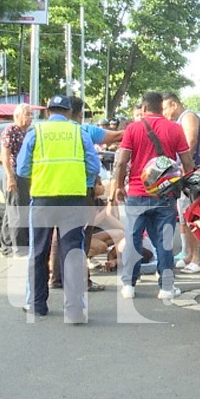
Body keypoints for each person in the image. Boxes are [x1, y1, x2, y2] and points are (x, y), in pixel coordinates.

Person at [17, 94, 100, 322]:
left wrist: (43, 176)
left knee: (38, 252)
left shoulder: (36, 132)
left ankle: (36, 305)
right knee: (73, 253)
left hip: (43, 200)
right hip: (73, 201)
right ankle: (74, 310)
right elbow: (94, 166)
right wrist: (80, 182)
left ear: (47, 111)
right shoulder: (79, 133)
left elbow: (22, 169)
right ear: (69, 112)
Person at [113, 91, 194, 300]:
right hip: (165, 194)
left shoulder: (133, 129)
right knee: (164, 240)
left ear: (143, 108)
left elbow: (121, 162)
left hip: (137, 193)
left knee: (133, 238)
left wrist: (119, 186)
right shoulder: (175, 129)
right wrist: (187, 185)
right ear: (161, 107)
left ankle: (128, 286)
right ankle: (166, 288)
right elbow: (187, 162)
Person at [48, 96, 123, 291]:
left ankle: (56, 278)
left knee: (58, 235)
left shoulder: (46, 132)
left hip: (53, 190)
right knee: (81, 236)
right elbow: (111, 141)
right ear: (79, 114)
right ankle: (82, 281)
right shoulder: (84, 131)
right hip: (81, 191)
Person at [162, 92, 200, 274]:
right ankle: (188, 253)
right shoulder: (177, 121)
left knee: (192, 216)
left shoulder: (187, 117)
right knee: (184, 216)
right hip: (181, 176)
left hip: (190, 174)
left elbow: (191, 142)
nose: (164, 113)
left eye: (165, 108)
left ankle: (197, 257)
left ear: (174, 105)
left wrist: (181, 167)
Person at [0, 103, 33, 256]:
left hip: (25, 173)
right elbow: (5, 156)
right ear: (18, 116)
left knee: (13, 209)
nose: (30, 117)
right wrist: (10, 177)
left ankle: (7, 245)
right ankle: (18, 247)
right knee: (16, 210)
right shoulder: (10, 131)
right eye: (27, 114)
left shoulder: (29, 132)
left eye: (31, 114)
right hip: (14, 172)